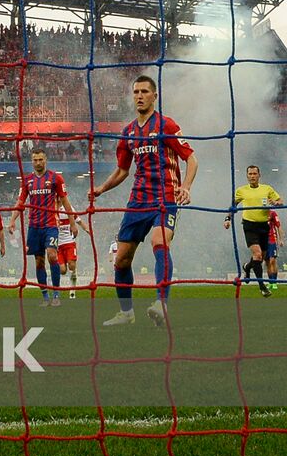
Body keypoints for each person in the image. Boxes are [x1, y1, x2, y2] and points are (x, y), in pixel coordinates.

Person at [90, 75, 197, 328]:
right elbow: (123, 170)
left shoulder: (167, 125)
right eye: (136, 91)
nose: (139, 95)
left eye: (145, 91)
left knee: (159, 241)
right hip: (138, 200)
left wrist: (186, 186)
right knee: (122, 260)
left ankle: (161, 303)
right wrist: (102, 189)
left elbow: (191, 159)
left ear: (154, 96)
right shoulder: (128, 132)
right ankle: (127, 313)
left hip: (166, 196)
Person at [15, 148, 80, 306]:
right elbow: (20, 202)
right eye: (35, 160)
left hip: (51, 224)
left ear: (45, 160)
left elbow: (65, 201)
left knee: (52, 255)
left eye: (40, 159)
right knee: (39, 261)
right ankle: (45, 297)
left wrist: (72, 223)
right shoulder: (27, 180)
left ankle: (56, 294)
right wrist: (12, 221)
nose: (38, 162)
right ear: (32, 161)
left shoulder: (55, 178)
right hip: (34, 226)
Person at [223, 165, 281, 297]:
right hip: (249, 226)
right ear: (247, 175)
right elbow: (233, 205)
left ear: (259, 175)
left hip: (263, 226)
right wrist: (227, 218)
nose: (252, 176)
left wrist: (276, 203)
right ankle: (262, 287)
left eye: (255, 174)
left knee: (260, 258)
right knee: (258, 255)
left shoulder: (267, 189)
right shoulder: (241, 190)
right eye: (250, 174)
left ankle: (247, 267)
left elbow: (280, 200)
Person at [56, 214, 82, 299]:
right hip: (58, 246)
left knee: (71, 265)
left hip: (70, 243)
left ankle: (72, 291)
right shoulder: (52, 208)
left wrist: (86, 229)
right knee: (62, 270)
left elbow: (78, 220)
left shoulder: (68, 208)